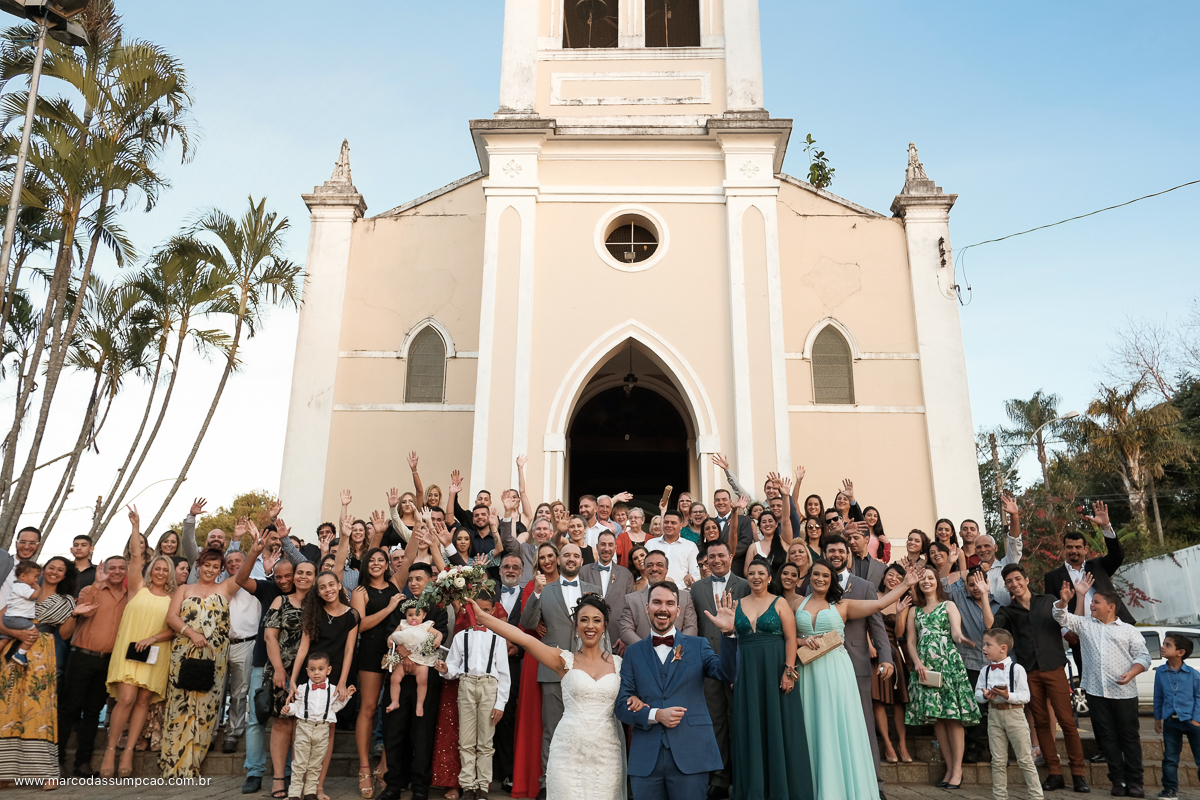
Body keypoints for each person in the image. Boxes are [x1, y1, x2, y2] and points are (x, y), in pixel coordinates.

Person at [799, 558, 917, 799]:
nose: (820, 579)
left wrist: (905, 584)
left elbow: (880, 603)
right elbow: (787, 636)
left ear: (832, 580)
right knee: (811, 725)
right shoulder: (796, 603)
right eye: (816, 574)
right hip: (807, 672)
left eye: (826, 576)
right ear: (809, 577)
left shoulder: (843, 605)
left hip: (836, 670)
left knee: (838, 725)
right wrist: (802, 641)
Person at [617, 582, 739, 800]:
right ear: (647, 608)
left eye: (669, 603)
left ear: (678, 610)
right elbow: (621, 706)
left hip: (692, 754)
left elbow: (727, 674)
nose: (663, 608)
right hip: (646, 760)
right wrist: (655, 715)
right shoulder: (633, 653)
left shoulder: (698, 645)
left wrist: (729, 633)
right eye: (657, 602)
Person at [993, 564, 1089, 794]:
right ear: (1006, 586)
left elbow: (1070, 622)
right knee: (1041, 722)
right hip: (1029, 672)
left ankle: (1078, 773)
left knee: (1067, 722)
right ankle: (1055, 773)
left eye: (1017, 579)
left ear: (1026, 580)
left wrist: (1067, 601)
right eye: (1009, 581)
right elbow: (992, 630)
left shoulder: (1049, 601)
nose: (1014, 584)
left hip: (1054, 667)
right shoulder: (1008, 611)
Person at [1054, 575, 1151, 798]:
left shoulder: (1128, 630)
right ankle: (1117, 781)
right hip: (1096, 692)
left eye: (1096, 602)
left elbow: (1144, 657)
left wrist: (1131, 673)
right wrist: (1068, 598)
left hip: (1125, 693)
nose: (1092, 605)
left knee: (1129, 738)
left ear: (1111, 607)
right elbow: (1060, 616)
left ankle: (1136, 782)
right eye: (1091, 601)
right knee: (1107, 738)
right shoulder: (1086, 625)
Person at [519, 543, 600, 796]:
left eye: (576, 555)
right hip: (552, 671)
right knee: (552, 730)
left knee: (586, 729)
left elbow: (602, 631)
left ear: (581, 560)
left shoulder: (594, 591)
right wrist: (538, 594)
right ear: (558, 560)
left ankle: (581, 782)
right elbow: (527, 623)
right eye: (567, 555)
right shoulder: (545, 589)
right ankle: (547, 784)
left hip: (586, 670)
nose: (572, 558)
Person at [817, 534, 894, 794]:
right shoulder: (814, 584)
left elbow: (878, 627)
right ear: (824, 554)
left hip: (856, 665)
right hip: (821, 667)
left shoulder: (863, 586)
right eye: (831, 551)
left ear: (848, 555)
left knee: (862, 726)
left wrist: (886, 657)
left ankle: (874, 784)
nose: (836, 554)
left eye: (840, 550)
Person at [103, 506, 175, 779]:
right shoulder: (137, 587)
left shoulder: (174, 598)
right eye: (156, 568)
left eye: (164, 569)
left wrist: (153, 638)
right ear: (150, 570)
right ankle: (111, 749)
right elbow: (135, 555)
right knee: (127, 698)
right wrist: (136, 527)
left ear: (170, 574)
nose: (159, 572)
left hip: (157, 651)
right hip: (129, 652)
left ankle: (129, 751)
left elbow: (174, 629)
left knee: (143, 700)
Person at [732, 557, 813, 800]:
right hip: (747, 673)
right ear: (747, 577)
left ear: (769, 578)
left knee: (780, 728)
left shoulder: (779, 603)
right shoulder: (736, 603)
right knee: (750, 728)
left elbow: (791, 638)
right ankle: (754, 790)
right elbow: (731, 639)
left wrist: (789, 671)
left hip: (776, 671)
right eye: (751, 573)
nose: (756, 577)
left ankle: (783, 790)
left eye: (761, 573)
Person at [161, 546, 240, 778]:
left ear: (221, 570)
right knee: (178, 703)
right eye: (207, 565)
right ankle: (173, 763)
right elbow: (171, 617)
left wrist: (255, 550)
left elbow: (243, 574)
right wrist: (191, 633)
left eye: (216, 566)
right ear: (199, 565)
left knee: (206, 706)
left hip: (213, 655)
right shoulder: (184, 589)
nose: (210, 569)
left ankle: (192, 763)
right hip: (183, 652)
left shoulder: (226, 587)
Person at [233, 521, 298, 795]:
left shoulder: (306, 593)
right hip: (263, 662)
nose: (283, 581)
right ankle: (255, 770)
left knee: (294, 719)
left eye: (288, 576)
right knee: (256, 717)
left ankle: (291, 772)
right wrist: (254, 551)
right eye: (279, 576)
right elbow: (240, 580)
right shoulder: (267, 588)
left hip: (296, 666)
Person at [904, 566, 981, 790]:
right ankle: (949, 768)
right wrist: (917, 662)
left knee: (953, 717)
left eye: (930, 578)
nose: (926, 582)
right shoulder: (914, 611)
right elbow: (910, 641)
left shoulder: (949, 605)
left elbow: (955, 632)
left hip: (948, 666)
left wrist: (962, 638)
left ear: (937, 581)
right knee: (938, 719)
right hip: (925, 669)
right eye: (922, 579)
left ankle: (957, 771)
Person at [0, 552, 72, 789]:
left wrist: (77, 612)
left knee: (38, 709)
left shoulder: (65, 600)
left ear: (64, 575)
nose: (54, 572)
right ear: (42, 570)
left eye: (60, 569)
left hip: (43, 653)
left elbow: (64, 634)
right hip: (14, 648)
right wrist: (16, 633)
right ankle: (5, 772)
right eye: (51, 567)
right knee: (8, 707)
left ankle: (47, 773)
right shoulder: (21, 589)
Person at [291, 566, 361, 798]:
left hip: (336, 674)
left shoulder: (352, 615)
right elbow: (303, 647)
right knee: (301, 729)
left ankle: (317, 786)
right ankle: (297, 786)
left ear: (340, 586)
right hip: (310, 673)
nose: (328, 590)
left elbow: (350, 649)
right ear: (318, 592)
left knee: (327, 731)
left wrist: (342, 682)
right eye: (322, 587)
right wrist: (293, 679)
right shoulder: (313, 613)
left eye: (331, 585)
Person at [58, 553, 129, 778]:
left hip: (108, 661)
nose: (117, 571)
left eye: (121, 568)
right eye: (112, 568)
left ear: (126, 571)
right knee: (69, 709)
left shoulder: (131, 597)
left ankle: (83, 763)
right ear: (104, 570)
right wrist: (98, 584)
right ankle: (57, 761)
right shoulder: (89, 589)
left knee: (92, 712)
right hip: (81, 657)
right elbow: (84, 610)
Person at [1042, 501, 1134, 674]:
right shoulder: (1053, 577)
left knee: (1121, 675)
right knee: (1090, 680)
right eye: (1069, 547)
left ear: (1085, 549)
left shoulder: (1099, 565)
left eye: (1078, 547)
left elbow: (1117, 555)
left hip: (1113, 629)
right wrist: (1064, 631)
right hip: (1081, 635)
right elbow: (1051, 607)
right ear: (1064, 549)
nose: (1073, 551)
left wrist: (1106, 527)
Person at [436, 591, 511, 800]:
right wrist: (444, 669)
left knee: (486, 741)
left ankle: (483, 786)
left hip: (489, 687)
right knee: (466, 740)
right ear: (470, 609)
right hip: (466, 684)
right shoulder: (461, 637)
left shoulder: (497, 638)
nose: (481, 614)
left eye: (486, 610)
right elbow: (453, 668)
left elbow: (504, 674)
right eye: (478, 609)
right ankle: (468, 784)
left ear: (493, 611)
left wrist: (501, 703)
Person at [690, 540, 748, 798]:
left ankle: (743, 774)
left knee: (740, 719)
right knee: (715, 722)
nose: (716, 560)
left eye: (721, 555)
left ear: (730, 556)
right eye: (711, 556)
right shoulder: (696, 589)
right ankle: (720, 776)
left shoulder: (746, 585)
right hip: (709, 666)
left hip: (738, 663)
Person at [350, 543, 403, 798]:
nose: (376, 563)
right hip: (371, 652)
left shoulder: (395, 583)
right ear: (366, 564)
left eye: (381, 559)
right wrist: (389, 608)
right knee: (369, 708)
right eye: (372, 559)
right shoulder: (361, 590)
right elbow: (360, 625)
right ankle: (363, 767)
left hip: (394, 652)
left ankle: (384, 765)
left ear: (387, 563)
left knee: (392, 709)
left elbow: (412, 551)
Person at [264, 560, 316, 799]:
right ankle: (277, 778)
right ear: (294, 576)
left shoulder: (320, 603)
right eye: (300, 573)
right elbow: (270, 637)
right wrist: (278, 669)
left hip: (312, 673)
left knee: (305, 728)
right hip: (281, 670)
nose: (303, 577)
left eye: (309, 573)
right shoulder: (280, 601)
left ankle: (299, 780)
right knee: (282, 722)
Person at [510, 543, 557, 799]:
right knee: (534, 718)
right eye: (543, 558)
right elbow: (523, 622)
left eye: (551, 556)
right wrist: (532, 627)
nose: (547, 561)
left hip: (560, 656)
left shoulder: (569, 584)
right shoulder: (531, 586)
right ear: (537, 562)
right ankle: (532, 782)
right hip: (534, 657)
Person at [975, 629, 1043, 800]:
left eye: (988, 645)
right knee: (997, 761)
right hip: (994, 716)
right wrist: (985, 695)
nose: (984, 648)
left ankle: (1036, 796)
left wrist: (1007, 695)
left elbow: (1025, 696)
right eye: (984, 644)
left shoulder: (1016, 669)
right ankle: (1000, 796)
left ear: (1003, 648)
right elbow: (977, 693)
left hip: (1014, 715)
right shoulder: (985, 671)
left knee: (1025, 759)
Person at [281, 651, 355, 800]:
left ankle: (310, 792)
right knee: (299, 763)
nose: (316, 673)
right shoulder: (302, 688)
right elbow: (298, 707)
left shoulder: (333, 690)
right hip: (304, 727)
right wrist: (289, 710)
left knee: (315, 763)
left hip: (322, 729)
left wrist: (346, 696)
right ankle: (294, 793)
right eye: (313, 669)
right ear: (307, 671)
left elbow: (334, 708)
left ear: (328, 670)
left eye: (320, 669)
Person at [945, 569, 996, 766]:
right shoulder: (958, 598)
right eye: (971, 584)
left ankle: (996, 749)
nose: (975, 588)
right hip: (969, 662)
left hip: (993, 665)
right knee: (973, 707)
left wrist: (984, 595)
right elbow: (941, 586)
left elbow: (990, 627)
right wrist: (954, 562)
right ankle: (974, 746)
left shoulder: (998, 603)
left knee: (994, 710)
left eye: (979, 583)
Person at [221, 546, 262, 755]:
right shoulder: (219, 585)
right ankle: (208, 733)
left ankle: (233, 733)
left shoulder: (254, 584)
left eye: (238, 560)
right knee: (216, 692)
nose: (234, 564)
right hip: (220, 644)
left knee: (239, 692)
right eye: (230, 562)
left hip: (245, 643)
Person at [872, 564, 913, 764]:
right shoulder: (873, 595)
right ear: (884, 576)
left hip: (893, 650)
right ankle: (887, 744)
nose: (893, 578)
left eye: (898, 576)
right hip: (873, 650)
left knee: (899, 702)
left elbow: (898, 633)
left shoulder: (902, 600)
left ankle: (902, 744)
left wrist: (900, 611)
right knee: (878, 700)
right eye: (890, 574)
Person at [1153, 632, 1200, 799]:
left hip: (1192, 722)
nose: (1162, 647)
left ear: (1180, 652)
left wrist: (1196, 719)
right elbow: (1158, 696)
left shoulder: (1193, 674)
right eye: (1163, 644)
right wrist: (1158, 718)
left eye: (1167, 645)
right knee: (1170, 758)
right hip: (1170, 722)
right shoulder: (1160, 672)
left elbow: (1199, 697)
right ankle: (1170, 790)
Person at [619, 550, 699, 646]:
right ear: (644, 569)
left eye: (659, 565)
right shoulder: (631, 600)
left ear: (666, 569)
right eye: (649, 565)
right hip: (644, 657)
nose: (654, 568)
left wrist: (676, 648)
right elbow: (625, 630)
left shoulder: (684, 597)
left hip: (678, 656)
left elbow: (691, 627)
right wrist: (645, 649)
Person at [580, 530, 636, 654]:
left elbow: (629, 609)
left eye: (610, 545)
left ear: (615, 548)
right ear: (597, 547)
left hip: (617, 637)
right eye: (603, 544)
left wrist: (625, 637)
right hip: (589, 635)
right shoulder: (583, 572)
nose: (606, 548)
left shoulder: (626, 574)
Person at [387, 601, 441, 713]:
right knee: (394, 679)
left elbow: (438, 634)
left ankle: (420, 704)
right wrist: (390, 640)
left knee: (422, 680)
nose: (413, 618)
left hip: (421, 659)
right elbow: (392, 635)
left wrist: (437, 639)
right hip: (404, 658)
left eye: (417, 615)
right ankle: (395, 701)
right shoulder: (403, 624)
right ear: (405, 615)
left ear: (424, 615)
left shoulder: (425, 626)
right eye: (410, 615)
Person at [975, 494, 1024, 606]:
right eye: (979, 547)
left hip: (1007, 619)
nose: (983, 549)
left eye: (987, 546)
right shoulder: (971, 574)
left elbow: (1015, 542)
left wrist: (1014, 516)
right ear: (975, 550)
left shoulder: (1007, 565)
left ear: (995, 548)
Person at [645, 511, 700, 587]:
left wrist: (676, 587)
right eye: (666, 522)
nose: (669, 525)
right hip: (653, 592)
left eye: (673, 523)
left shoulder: (690, 546)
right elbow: (643, 570)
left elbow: (696, 574)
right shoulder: (651, 544)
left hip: (680, 593)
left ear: (681, 526)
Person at [1, 559, 40, 664]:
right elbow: (34, 596)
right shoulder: (23, 587)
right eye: (35, 577)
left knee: (4, 639)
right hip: (17, 618)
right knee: (33, 633)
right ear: (23, 576)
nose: (36, 580)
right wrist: (38, 588)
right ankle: (20, 654)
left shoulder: (15, 586)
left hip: (9, 618)